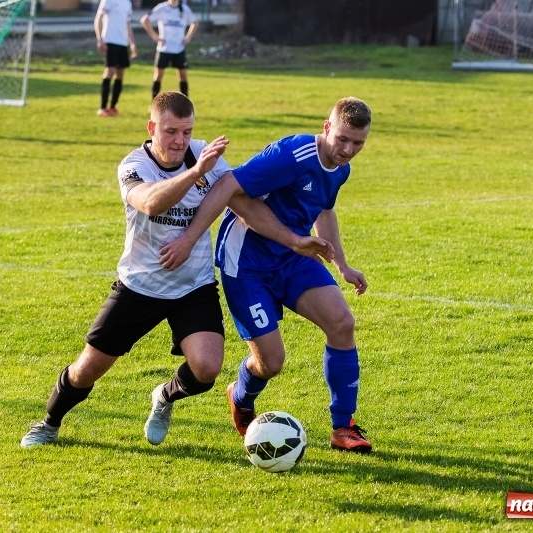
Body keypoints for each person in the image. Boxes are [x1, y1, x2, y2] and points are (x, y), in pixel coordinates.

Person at [21, 92, 330, 448]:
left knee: (207, 369)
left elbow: (244, 205)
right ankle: (48, 424)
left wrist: (293, 240)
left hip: (192, 287)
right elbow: (152, 203)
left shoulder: (206, 156)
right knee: (87, 369)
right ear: (152, 128)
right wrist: (197, 171)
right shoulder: (134, 166)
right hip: (139, 286)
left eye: (186, 132)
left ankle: (164, 397)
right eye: (171, 132)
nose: (180, 141)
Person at [160, 97, 374, 453]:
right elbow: (228, 186)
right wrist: (188, 239)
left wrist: (342, 264)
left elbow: (324, 207)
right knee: (271, 363)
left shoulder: (341, 167)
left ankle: (343, 427)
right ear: (326, 128)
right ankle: (241, 398)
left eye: (358, 143)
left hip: (294, 256)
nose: (348, 150)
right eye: (343, 140)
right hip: (248, 262)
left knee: (342, 323)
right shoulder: (293, 155)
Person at [140, 0, 198, 99]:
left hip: (179, 49)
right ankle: (154, 103)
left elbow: (195, 22)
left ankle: (186, 104)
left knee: (183, 75)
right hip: (164, 49)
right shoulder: (162, 8)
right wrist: (155, 36)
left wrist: (188, 37)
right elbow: (145, 20)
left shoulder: (184, 9)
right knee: (158, 75)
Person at [93, 0, 137, 117]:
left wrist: (132, 43)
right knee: (109, 71)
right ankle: (103, 107)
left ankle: (113, 107)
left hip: (122, 43)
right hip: (110, 41)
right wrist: (100, 39)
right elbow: (98, 18)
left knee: (120, 74)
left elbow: (128, 25)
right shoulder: (108, 1)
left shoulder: (127, 3)